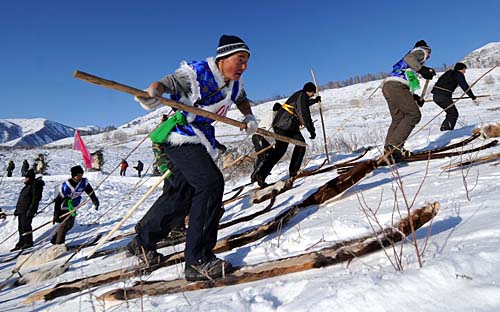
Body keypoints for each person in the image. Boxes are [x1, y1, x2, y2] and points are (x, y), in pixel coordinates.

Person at [131, 34, 257, 281]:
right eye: (240, 60)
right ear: (223, 58)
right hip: (181, 137)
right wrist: (153, 93)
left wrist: (249, 117)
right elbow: (166, 83)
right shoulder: (198, 74)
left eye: (247, 62)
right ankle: (198, 260)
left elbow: (241, 99)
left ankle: (143, 242)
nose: (244, 67)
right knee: (210, 183)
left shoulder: (234, 84)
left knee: (183, 193)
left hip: (201, 139)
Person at [252, 83, 320, 188]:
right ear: (310, 91)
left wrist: (315, 101)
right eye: (313, 93)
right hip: (286, 126)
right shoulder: (302, 96)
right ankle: (292, 171)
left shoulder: (300, 96)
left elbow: (303, 105)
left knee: (280, 151)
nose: (313, 95)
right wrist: (312, 130)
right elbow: (305, 113)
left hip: (285, 126)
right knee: (299, 145)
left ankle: (261, 174)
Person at [382, 40, 436, 160]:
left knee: (398, 118)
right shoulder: (420, 52)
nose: (429, 56)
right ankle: (395, 146)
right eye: (429, 52)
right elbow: (409, 58)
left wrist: (415, 98)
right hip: (397, 86)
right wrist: (423, 70)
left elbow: (407, 80)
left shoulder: (411, 66)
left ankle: (389, 150)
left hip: (389, 86)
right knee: (414, 115)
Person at [51, 165, 99, 245]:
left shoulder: (84, 182)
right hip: (64, 205)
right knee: (65, 224)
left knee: (70, 224)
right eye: (78, 175)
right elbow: (58, 201)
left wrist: (95, 200)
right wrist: (56, 214)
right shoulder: (67, 185)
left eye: (81, 175)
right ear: (73, 176)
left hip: (73, 205)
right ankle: (59, 244)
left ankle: (55, 238)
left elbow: (90, 191)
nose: (80, 177)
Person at [431, 62, 477, 131]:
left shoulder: (448, 73)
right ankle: (446, 130)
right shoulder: (458, 74)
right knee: (453, 113)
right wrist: (473, 97)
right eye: (464, 70)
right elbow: (464, 86)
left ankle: (445, 128)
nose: (464, 72)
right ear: (462, 69)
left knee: (451, 112)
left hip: (436, 96)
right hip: (443, 96)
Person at [11, 169, 44, 251]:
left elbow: (35, 200)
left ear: (30, 178)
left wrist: (31, 211)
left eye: (26, 178)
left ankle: (28, 242)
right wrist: (17, 210)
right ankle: (21, 242)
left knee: (26, 227)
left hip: (27, 211)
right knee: (21, 227)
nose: (25, 179)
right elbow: (22, 200)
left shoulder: (34, 186)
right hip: (21, 211)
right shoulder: (27, 186)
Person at [250, 102, 282, 179]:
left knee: (271, 152)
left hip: (261, 137)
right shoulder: (271, 114)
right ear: (278, 110)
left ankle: (263, 171)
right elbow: (269, 127)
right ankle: (255, 175)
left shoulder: (270, 114)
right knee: (262, 156)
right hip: (258, 136)